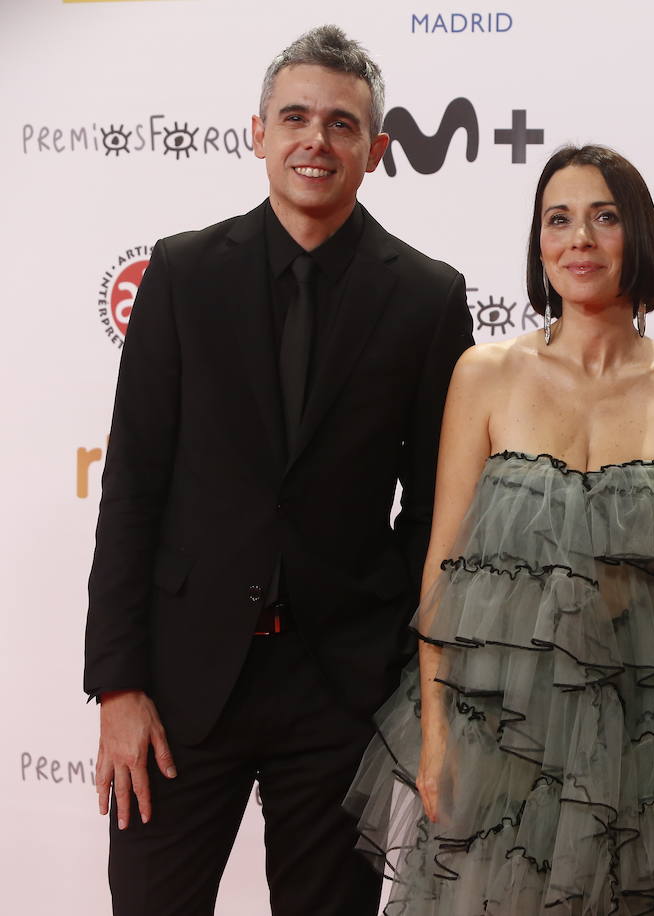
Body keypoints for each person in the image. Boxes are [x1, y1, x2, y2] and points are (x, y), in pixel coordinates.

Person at [83, 26, 473, 915]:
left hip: (338, 692)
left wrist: (388, 661)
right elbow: (132, 486)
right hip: (179, 687)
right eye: (294, 117)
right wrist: (117, 683)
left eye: (342, 125)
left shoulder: (426, 296)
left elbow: (438, 510)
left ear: (376, 151)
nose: (315, 140)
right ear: (255, 132)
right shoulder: (181, 274)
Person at [345, 145, 654, 915]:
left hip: (638, 738)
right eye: (559, 219)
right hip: (497, 728)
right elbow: (444, 561)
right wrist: (438, 733)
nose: (579, 238)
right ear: (538, 244)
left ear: (637, 236)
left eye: (603, 217)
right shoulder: (484, 372)